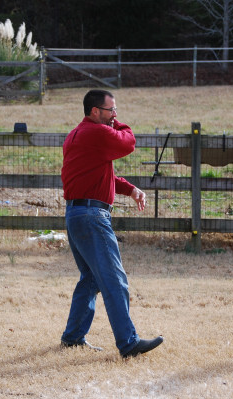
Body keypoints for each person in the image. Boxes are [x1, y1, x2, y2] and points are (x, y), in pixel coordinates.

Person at [60, 89, 163, 358]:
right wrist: (118, 124)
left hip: (76, 214)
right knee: (114, 279)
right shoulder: (97, 132)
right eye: (111, 110)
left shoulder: (75, 135)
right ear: (95, 111)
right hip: (93, 216)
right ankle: (128, 343)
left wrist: (130, 190)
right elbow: (128, 142)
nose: (114, 115)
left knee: (91, 278)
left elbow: (98, 176)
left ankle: (73, 337)